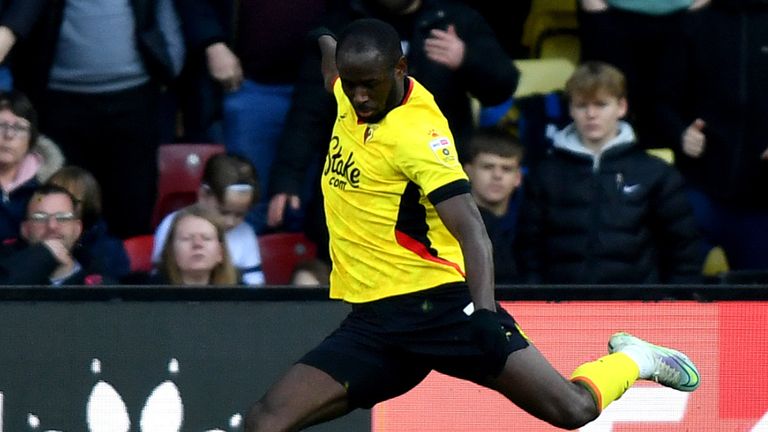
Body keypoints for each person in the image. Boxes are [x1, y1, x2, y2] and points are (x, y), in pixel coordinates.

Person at [244, 20, 700, 432]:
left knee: (572, 410)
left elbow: (473, 232)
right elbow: (333, 75)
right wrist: (324, 37)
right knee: (265, 421)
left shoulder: (419, 135)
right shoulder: (351, 88)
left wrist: (483, 313)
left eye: (369, 85)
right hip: (375, 321)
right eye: (353, 83)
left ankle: (633, 359)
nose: (358, 96)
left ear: (400, 68)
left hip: (440, 307)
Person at [265, 0, 520, 255]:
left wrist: (468, 59)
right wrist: (287, 177)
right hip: (361, 174)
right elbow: (309, 110)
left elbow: (503, 87)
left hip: (433, 171)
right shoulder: (344, 21)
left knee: (444, 256)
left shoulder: (454, 19)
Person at [10, 0, 185, 239]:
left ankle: (127, 271)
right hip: (60, 101)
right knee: (64, 201)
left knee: (133, 201)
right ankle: (67, 273)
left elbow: (165, 15)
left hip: (134, 98)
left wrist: (167, 65)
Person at [516, 61, 703, 284]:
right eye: (582, 105)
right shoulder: (545, 173)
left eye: (601, 104)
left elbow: (684, 251)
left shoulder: (656, 173)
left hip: (637, 310)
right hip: (560, 309)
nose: (591, 114)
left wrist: (674, 304)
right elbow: (528, 250)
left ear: (621, 107)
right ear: (571, 109)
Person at [655, 0, 768, 272]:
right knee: (679, 295)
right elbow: (660, 100)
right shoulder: (694, 22)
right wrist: (680, 134)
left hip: (762, 200)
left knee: (756, 304)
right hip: (699, 190)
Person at [577, 0, 710, 147]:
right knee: (610, 105)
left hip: (686, 15)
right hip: (609, 15)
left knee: (677, 119)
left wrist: (699, 6)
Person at [151, 153, 265, 285]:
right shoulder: (174, 224)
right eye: (223, 212)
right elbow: (160, 281)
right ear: (203, 194)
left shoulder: (246, 233)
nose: (230, 222)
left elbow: (255, 288)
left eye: (240, 214)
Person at [0, 184, 110, 285]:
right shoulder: (4, 261)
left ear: (77, 229)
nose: (52, 226)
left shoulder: (101, 278)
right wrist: (44, 255)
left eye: (63, 218)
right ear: (25, 230)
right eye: (40, 218)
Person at [0, 90, 64, 242]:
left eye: (20, 128)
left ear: (31, 138)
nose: (9, 135)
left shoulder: (55, 183)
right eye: (1, 126)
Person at [47, 166, 131, 281]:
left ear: (88, 204)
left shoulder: (109, 250)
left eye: (71, 201)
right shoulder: (34, 240)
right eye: (53, 200)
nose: (60, 207)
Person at [463, 127, 524, 285]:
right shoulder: (454, 225)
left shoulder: (530, 225)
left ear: (518, 177)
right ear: (468, 172)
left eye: (506, 169)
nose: (497, 175)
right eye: (488, 167)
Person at [153, 204, 239, 285]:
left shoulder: (241, 293)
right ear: (171, 251)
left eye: (206, 238)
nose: (197, 244)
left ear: (221, 252)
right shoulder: (149, 292)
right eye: (186, 238)